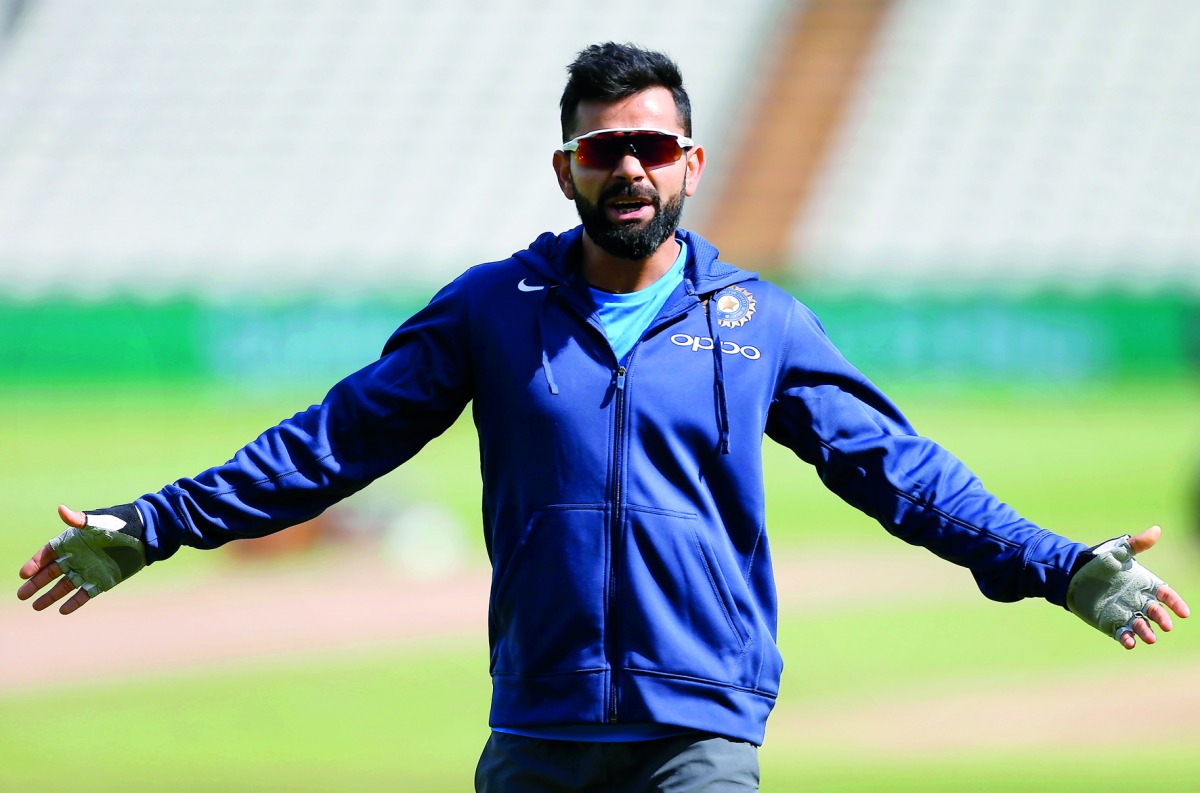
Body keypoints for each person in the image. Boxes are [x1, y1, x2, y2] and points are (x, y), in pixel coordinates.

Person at [16, 42, 1190, 793]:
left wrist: (1056, 565)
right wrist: (153, 524)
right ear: (567, 167)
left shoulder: (762, 321)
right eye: (605, 149)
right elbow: (332, 443)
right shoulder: (488, 311)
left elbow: (901, 473)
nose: (630, 168)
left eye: (652, 147)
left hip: (701, 731)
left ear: (691, 163)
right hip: (539, 722)